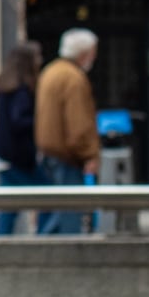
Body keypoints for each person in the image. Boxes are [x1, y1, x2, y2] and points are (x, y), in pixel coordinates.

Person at [34, 27, 100, 236]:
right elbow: (78, 123)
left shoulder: (51, 71)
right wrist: (89, 154)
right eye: (93, 51)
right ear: (84, 53)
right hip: (66, 156)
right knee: (68, 216)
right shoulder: (73, 78)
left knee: (54, 211)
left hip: (49, 152)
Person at [0, 39, 45, 235]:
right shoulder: (22, 90)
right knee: (51, 197)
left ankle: (0, 241)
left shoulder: (4, 86)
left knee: (9, 205)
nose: (40, 61)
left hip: (3, 153)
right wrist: (41, 121)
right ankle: (46, 236)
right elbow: (19, 120)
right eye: (37, 57)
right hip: (19, 156)